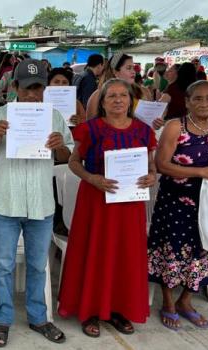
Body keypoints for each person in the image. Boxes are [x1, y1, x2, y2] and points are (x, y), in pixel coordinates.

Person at [0, 60, 72, 347]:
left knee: (37, 266)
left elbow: (67, 157)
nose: (33, 94)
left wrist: (60, 147)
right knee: (4, 266)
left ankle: (38, 317)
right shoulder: (0, 116)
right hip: (7, 202)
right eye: (27, 88)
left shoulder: (53, 117)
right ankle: (3, 319)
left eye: (38, 88)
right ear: (14, 88)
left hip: (41, 205)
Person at [58, 79, 158, 338]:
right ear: (102, 102)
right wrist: (92, 178)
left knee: (125, 255)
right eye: (111, 96)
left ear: (130, 100)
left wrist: (151, 176)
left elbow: (151, 165)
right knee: (95, 252)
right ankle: (90, 310)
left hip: (129, 204)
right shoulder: (90, 129)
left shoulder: (143, 131)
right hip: (96, 201)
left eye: (123, 95)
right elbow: (73, 162)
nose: (118, 100)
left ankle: (119, 310)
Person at [148, 80, 208, 330]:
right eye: (197, 98)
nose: (204, 103)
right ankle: (168, 302)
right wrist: (202, 172)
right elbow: (162, 164)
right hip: (176, 202)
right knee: (173, 250)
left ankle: (185, 301)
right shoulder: (176, 126)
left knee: (204, 250)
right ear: (187, 102)